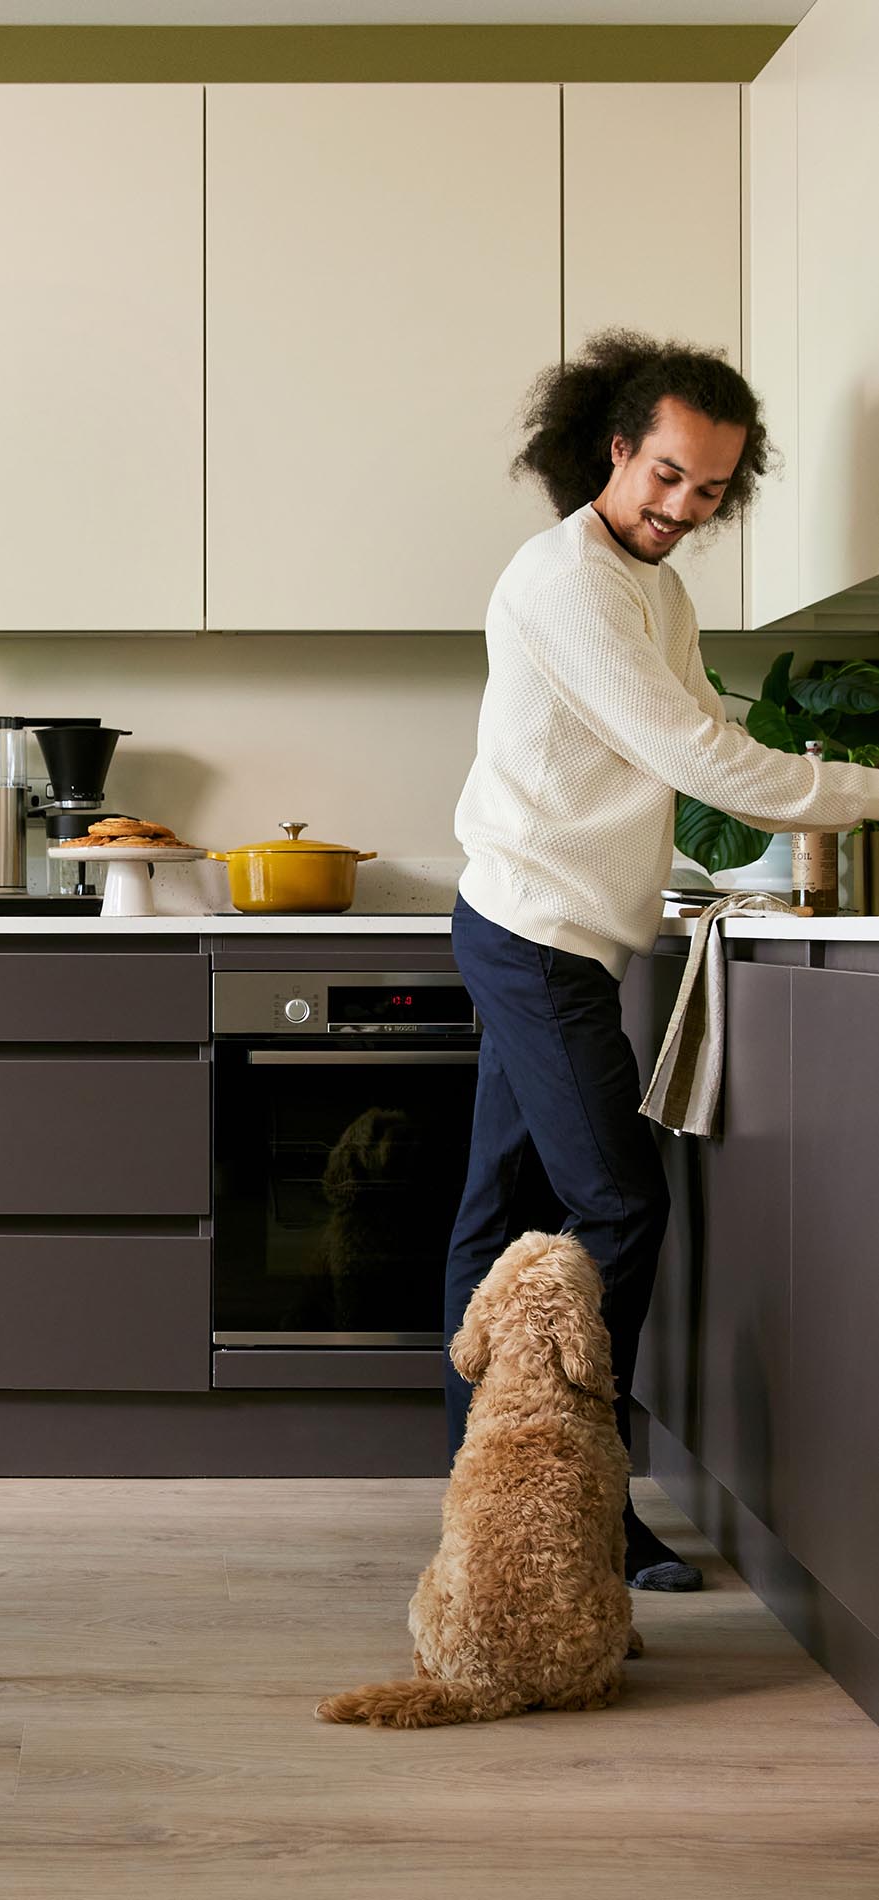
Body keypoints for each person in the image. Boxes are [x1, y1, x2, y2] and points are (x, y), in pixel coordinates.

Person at [444, 329, 879, 1591]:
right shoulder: (564, 578)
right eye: (669, 475)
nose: (685, 507)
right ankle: (579, 1490)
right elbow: (698, 757)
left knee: (503, 1211)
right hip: (535, 935)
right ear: (616, 449)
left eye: (712, 489)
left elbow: (682, 745)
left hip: (555, 929)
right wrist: (863, 789)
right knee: (620, 1203)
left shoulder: (659, 590)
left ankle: (491, 1479)